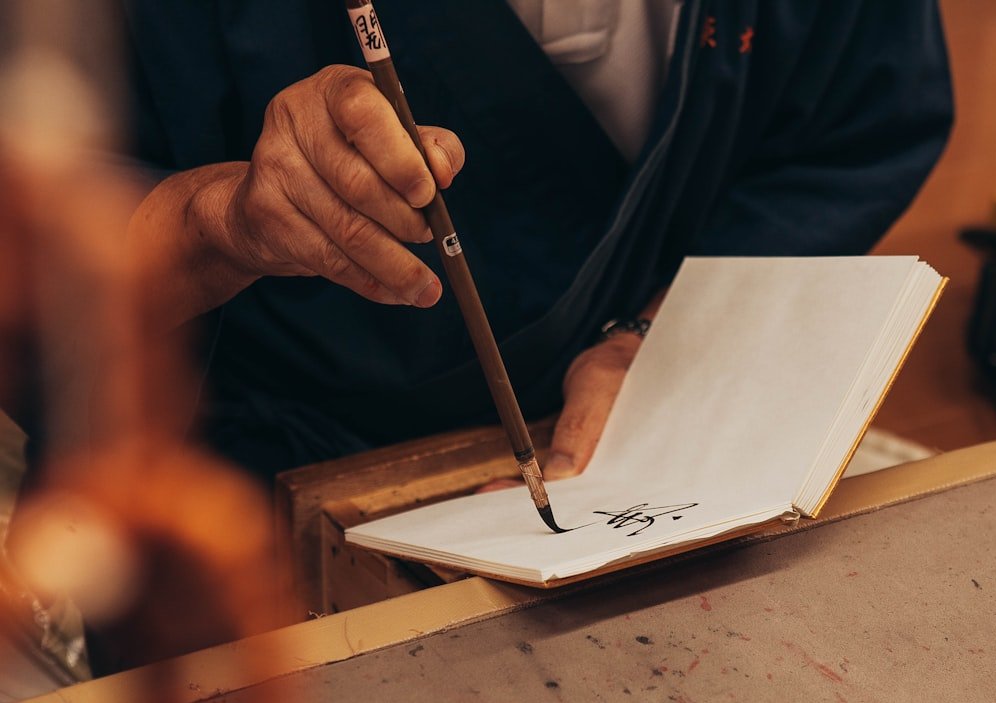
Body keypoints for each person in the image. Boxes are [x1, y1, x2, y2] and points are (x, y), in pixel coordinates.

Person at [122, 1, 953, 482]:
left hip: (660, 440)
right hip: (267, 490)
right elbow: (39, 248)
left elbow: (856, 128)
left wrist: (663, 330)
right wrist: (226, 219)